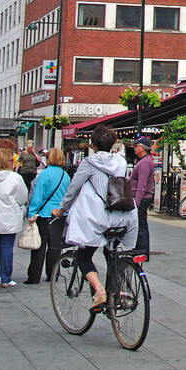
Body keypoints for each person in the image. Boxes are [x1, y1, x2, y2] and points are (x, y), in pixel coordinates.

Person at [56, 125, 138, 311]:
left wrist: (62, 209)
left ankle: (100, 291)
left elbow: (73, 188)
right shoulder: (121, 161)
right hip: (123, 216)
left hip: (97, 217)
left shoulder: (89, 163)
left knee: (84, 255)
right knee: (113, 252)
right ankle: (117, 288)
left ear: (93, 145)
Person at [25, 148, 70, 284]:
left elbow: (38, 196)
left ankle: (34, 276)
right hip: (59, 214)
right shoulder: (65, 175)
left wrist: (32, 213)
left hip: (44, 213)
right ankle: (52, 274)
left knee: (39, 245)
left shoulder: (44, 174)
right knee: (55, 246)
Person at [0, 149, 29, 288]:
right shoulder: (15, 178)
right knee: (6, 248)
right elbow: (22, 197)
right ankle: (5, 278)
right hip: (8, 218)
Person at [130, 138, 156, 260]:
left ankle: (142, 251)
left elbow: (142, 184)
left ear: (142, 148)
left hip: (142, 197)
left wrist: (137, 202)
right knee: (139, 224)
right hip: (141, 196)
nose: (134, 148)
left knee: (141, 225)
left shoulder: (145, 163)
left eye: (136, 146)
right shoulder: (144, 161)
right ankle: (140, 249)